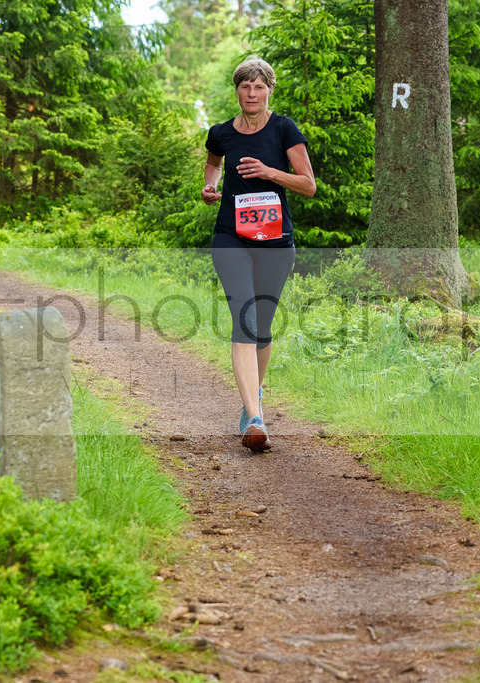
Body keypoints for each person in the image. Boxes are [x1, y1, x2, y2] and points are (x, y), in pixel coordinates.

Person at [201, 57, 316, 452]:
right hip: (230, 237)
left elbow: (308, 185)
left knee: (262, 326)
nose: (251, 94)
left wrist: (269, 172)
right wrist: (209, 186)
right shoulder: (220, 133)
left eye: (258, 87)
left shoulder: (284, 129)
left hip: (274, 241)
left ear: (269, 89)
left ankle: (255, 397)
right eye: (245, 87)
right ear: (236, 90)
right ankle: (254, 418)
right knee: (244, 318)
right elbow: (213, 164)